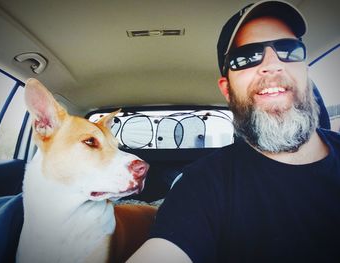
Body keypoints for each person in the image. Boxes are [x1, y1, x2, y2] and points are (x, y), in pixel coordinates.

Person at [127, 1, 340, 262]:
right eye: (247, 57)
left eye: (289, 50)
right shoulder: (201, 184)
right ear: (226, 89)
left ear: (306, 72)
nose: (273, 65)